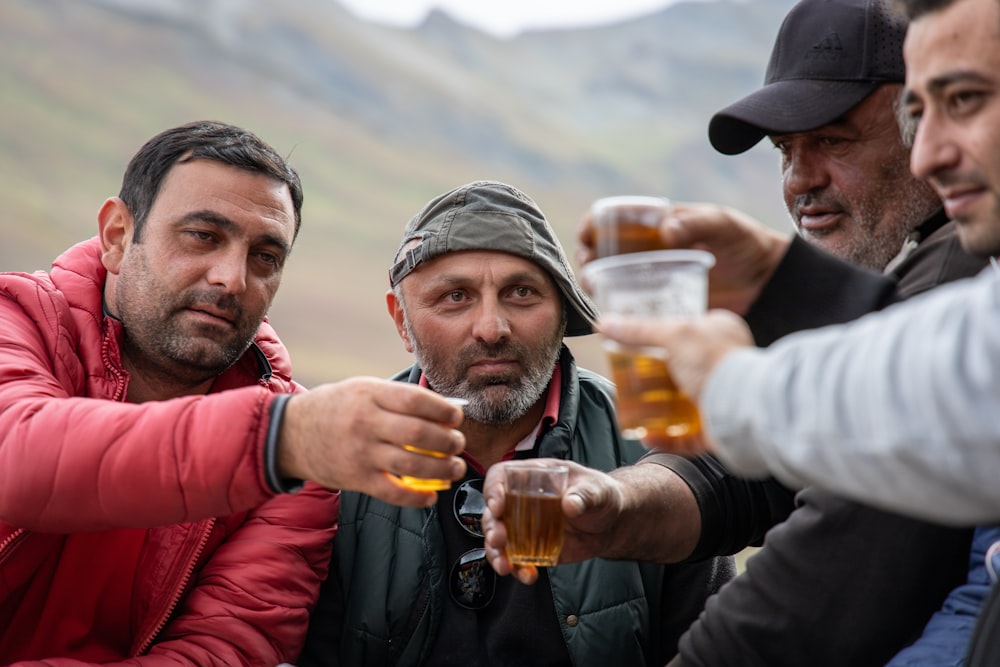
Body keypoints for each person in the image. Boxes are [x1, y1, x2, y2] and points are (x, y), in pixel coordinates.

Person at [483, 0, 1000, 662]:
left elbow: (833, 566)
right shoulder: (909, 276)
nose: (799, 181)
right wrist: (619, 501)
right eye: (786, 149)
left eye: (834, 141)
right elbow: (761, 469)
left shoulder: (958, 262)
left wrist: (736, 373)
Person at [0, 120, 468, 664]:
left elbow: (228, 647)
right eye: (203, 235)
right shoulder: (18, 320)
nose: (232, 278)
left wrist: (287, 441)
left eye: (266, 256)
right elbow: (18, 455)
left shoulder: (302, 459)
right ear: (117, 237)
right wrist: (278, 440)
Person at [297, 180, 736, 667]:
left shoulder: (657, 445)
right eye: (455, 296)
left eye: (521, 292)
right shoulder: (338, 456)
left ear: (562, 312)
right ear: (402, 320)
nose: (492, 328)